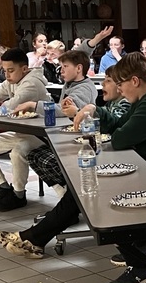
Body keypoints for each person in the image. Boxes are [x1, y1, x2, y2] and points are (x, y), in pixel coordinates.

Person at [0, 53, 146, 283]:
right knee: (87, 190)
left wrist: (104, 117)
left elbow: (122, 138)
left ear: (134, 81)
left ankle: (140, 268)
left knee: (103, 201)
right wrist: (94, 109)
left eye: (120, 84)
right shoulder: (145, 102)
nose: (120, 91)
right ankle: (138, 246)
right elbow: (119, 125)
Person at [26, 64, 132, 197]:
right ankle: (68, 196)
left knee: (51, 159)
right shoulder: (111, 103)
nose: (102, 83)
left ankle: (71, 199)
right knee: (34, 155)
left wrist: (77, 112)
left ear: (120, 86)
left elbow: (112, 126)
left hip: (108, 154)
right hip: (99, 149)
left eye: (108, 80)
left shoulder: (124, 104)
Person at [0, 48, 51, 211]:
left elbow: (9, 107)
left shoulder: (32, 83)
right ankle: (4, 187)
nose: (7, 75)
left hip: (40, 135)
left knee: (17, 152)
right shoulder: (12, 80)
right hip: (21, 132)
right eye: (4, 71)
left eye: (10, 70)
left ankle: (19, 195)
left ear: (24, 69)